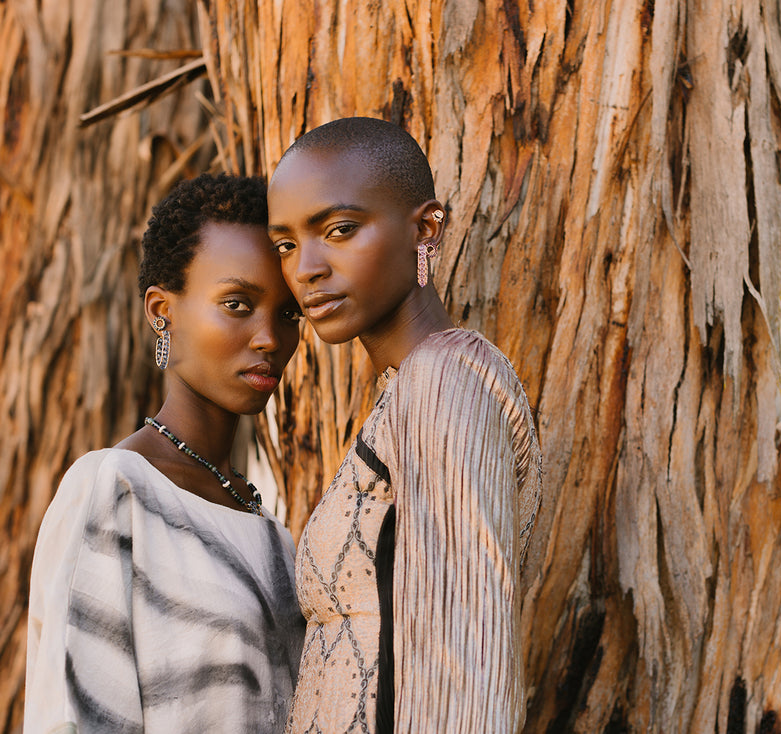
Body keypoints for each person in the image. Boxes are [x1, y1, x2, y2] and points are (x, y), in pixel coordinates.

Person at [267, 117, 542, 733]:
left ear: (425, 229)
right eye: (285, 244)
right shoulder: (409, 392)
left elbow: (467, 670)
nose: (305, 268)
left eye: (338, 231)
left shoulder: (444, 380)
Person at [25, 173, 307, 733]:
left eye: (288, 312)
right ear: (162, 311)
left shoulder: (274, 536)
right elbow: (73, 717)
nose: (270, 337)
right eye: (237, 303)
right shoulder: (115, 489)